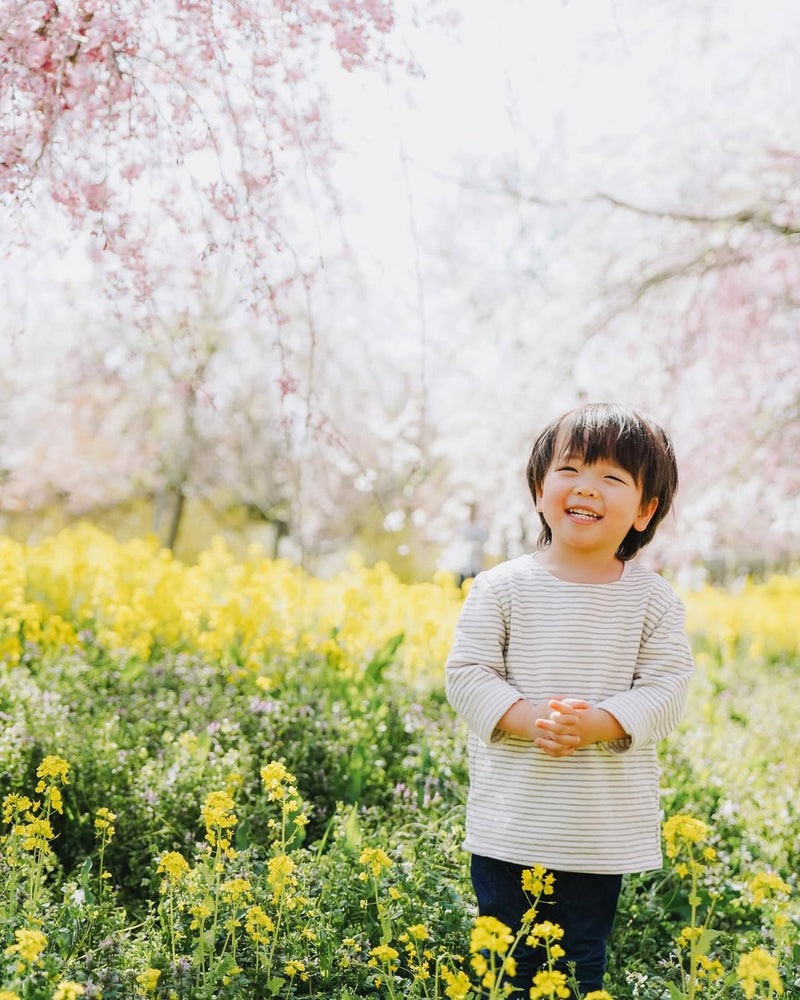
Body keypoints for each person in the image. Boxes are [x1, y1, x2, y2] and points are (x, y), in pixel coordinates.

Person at [445, 402, 694, 995]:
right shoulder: (499, 587)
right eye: (571, 470)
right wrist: (527, 718)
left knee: (581, 960)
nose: (587, 488)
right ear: (538, 490)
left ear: (645, 510)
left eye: (613, 478)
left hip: (595, 830)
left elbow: (667, 689)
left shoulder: (653, 601)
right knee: (506, 962)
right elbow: (467, 673)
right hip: (512, 821)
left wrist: (601, 724)